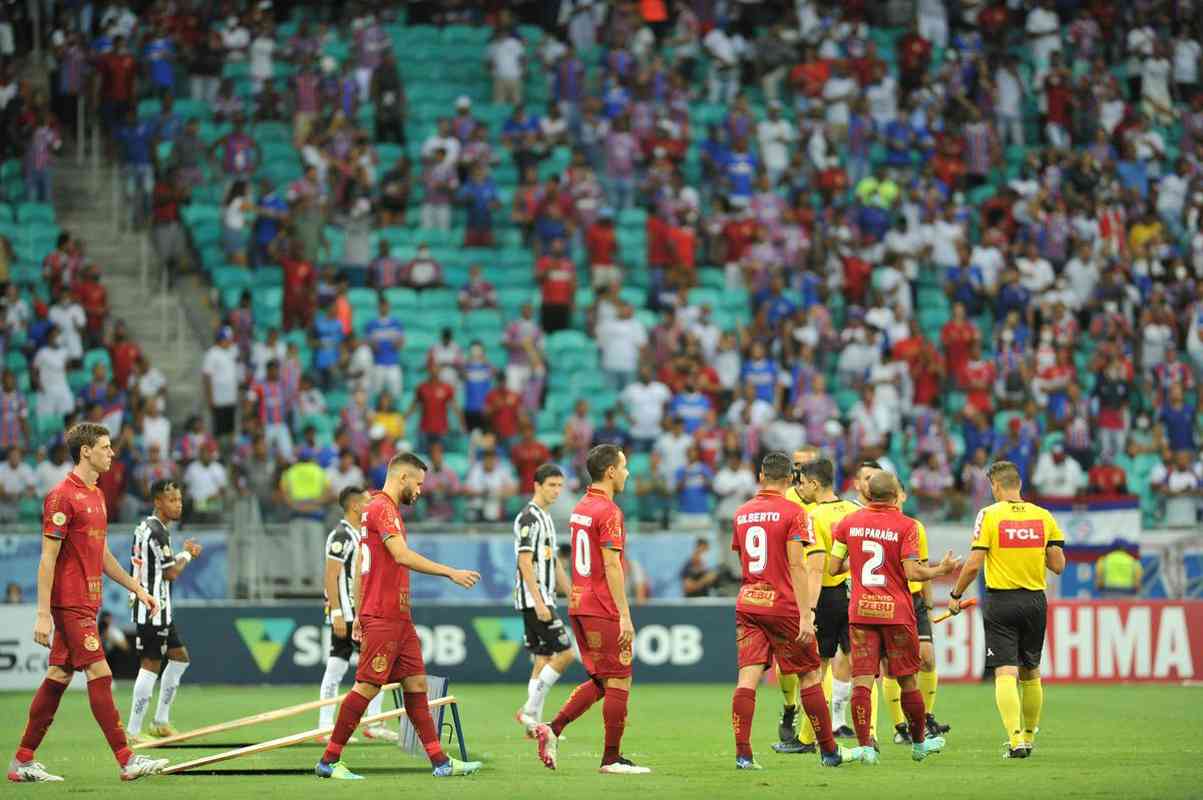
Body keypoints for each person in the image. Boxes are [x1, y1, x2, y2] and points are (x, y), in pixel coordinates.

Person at [9, 423, 169, 782]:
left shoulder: (96, 495)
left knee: (59, 675)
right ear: (86, 451)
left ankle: (22, 761)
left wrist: (136, 587)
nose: (112, 453)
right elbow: (47, 558)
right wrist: (42, 614)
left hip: (87, 601)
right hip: (69, 603)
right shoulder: (61, 496)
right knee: (101, 673)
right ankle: (127, 760)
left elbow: (101, 554)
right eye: (106, 447)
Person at [315, 453, 482, 780]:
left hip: (397, 616)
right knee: (366, 687)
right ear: (401, 477)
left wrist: (359, 613)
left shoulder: (374, 509)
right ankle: (329, 760)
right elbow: (400, 555)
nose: (420, 490)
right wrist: (451, 573)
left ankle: (440, 762)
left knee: (416, 683)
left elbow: (363, 568)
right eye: (418, 483)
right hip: (384, 616)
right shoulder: (382, 508)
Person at [728, 451, 865, 770]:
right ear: (789, 479)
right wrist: (806, 614)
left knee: (747, 678)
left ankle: (744, 754)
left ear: (761, 476)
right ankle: (829, 752)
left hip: (749, 601)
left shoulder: (742, 513)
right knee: (809, 675)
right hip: (783, 605)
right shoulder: (794, 512)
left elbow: (743, 562)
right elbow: (797, 566)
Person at [532, 444, 648, 774]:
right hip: (601, 606)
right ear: (610, 471)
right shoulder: (609, 511)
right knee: (620, 681)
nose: (627, 472)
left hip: (580, 603)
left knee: (601, 681)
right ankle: (611, 759)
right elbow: (612, 565)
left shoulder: (582, 506)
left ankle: (552, 728)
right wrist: (625, 614)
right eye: (623, 467)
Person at [829, 471, 958, 765]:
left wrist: (859, 560)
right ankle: (919, 745)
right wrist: (941, 570)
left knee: (862, 681)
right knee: (908, 681)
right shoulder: (907, 526)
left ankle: (865, 747)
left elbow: (834, 567)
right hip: (896, 614)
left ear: (869, 494)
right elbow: (913, 573)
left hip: (861, 612)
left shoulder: (848, 522)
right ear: (894, 496)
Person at [946, 460, 1066, 759]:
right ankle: (1029, 735)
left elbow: (973, 564)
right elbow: (1058, 565)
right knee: (1031, 670)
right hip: (1035, 601)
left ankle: (1015, 740)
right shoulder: (1043, 516)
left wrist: (955, 594)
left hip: (1001, 601)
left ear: (995, 486)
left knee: (1005, 671)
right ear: (1019, 485)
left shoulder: (988, 515)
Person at [785, 456, 864, 752]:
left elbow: (816, 568)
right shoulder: (857, 509)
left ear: (815, 484)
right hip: (856, 593)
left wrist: (811, 609)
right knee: (862, 667)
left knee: (814, 668)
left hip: (828, 598)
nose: (800, 489)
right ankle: (870, 737)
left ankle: (807, 739)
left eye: (803, 483)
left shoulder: (813, 516)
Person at [317, 487, 397, 743]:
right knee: (375, 662)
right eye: (366, 502)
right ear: (354, 506)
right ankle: (361, 723)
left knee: (340, 664)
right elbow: (331, 575)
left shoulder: (358, 535)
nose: (370, 505)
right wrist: (337, 612)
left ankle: (331, 724)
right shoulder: (341, 535)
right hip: (349, 613)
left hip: (359, 611)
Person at [126, 480, 202, 742]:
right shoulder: (158, 531)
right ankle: (134, 731)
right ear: (158, 502)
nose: (178, 504)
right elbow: (170, 573)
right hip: (152, 607)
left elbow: (159, 565)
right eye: (172, 500)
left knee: (180, 658)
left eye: (179, 499)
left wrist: (181, 553)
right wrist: (189, 555)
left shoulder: (147, 528)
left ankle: (160, 721)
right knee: (150, 665)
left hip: (158, 608)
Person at [513, 464, 576, 734]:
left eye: (560, 486)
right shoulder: (529, 518)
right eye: (551, 485)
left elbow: (556, 563)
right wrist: (539, 601)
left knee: (543, 657)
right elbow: (524, 562)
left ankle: (533, 725)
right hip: (534, 599)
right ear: (537, 485)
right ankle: (528, 710)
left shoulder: (546, 518)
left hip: (543, 597)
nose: (557, 491)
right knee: (565, 654)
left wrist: (571, 591)